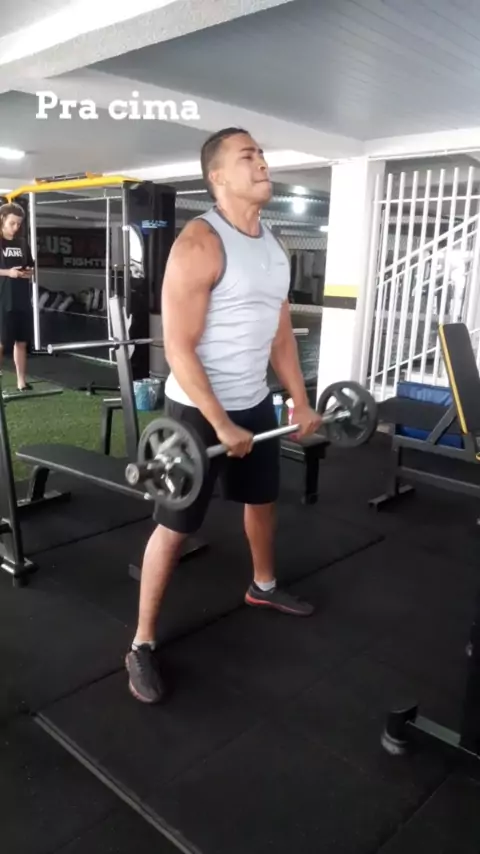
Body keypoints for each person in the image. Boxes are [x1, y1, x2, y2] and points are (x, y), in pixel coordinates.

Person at [126, 127, 322, 704]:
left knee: (262, 501)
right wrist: (220, 423)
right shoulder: (199, 243)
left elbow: (280, 335)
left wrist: (300, 400)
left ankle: (263, 585)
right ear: (217, 177)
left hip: (253, 402)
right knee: (175, 527)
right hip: (195, 408)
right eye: (248, 156)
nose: (262, 163)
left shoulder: (274, 246)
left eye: (261, 154)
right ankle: (141, 643)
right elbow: (179, 348)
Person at [0, 202, 35, 391]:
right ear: (2, 220)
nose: (16, 227)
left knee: (21, 341)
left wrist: (28, 273)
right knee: (1, 342)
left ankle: (21, 381)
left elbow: (29, 265)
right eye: (12, 223)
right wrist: (8, 273)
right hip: (3, 299)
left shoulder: (22, 243)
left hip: (22, 298)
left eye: (19, 224)